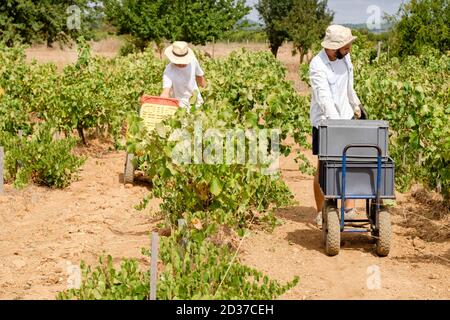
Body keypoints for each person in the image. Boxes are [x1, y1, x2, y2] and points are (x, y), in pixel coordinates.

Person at [309, 25, 364, 228]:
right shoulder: (317, 65)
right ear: (334, 47)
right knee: (324, 166)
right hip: (325, 122)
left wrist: (356, 105)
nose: (349, 48)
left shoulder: (345, 58)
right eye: (346, 46)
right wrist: (337, 125)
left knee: (350, 162)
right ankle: (320, 211)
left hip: (346, 117)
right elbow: (324, 99)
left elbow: (349, 85)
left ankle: (349, 209)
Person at [160, 41, 206, 109]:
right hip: (180, 107)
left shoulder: (193, 61)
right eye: (178, 62)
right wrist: (160, 104)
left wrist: (207, 94)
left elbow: (200, 78)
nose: (181, 64)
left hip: (197, 104)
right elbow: (165, 92)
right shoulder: (169, 71)